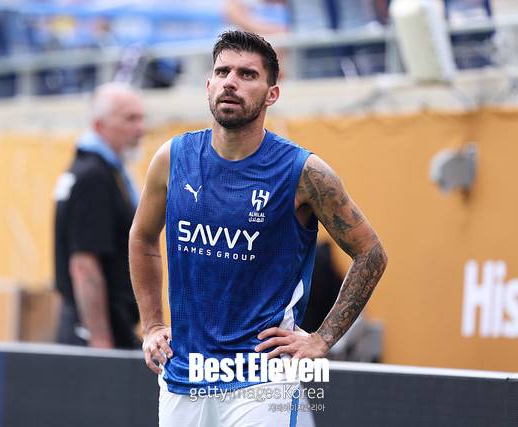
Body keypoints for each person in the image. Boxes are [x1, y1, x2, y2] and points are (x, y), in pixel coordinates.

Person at [129, 31, 387, 426]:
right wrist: (152, 325)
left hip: (264, 383)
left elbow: (371, 253)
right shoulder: (172, 158)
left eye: (247, 74)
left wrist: (322, 338)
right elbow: (142, 237)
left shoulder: (304, 172)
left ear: (272, 94)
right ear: (208, 85)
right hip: (183, 377)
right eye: (223, 72)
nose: (231, 82)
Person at [54, 82, 145, 349]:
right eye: (130, 119)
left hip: (98, 325)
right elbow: (84, 265)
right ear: (99, 126)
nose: (140, 128)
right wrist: (100, 339)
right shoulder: (94, 177)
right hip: (95, 332)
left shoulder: (93, 170)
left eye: (141, 118)